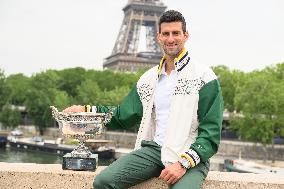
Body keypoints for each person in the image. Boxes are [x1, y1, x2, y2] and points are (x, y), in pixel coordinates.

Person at [64, 10, 223, 189]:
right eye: (166, 34)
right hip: (154, 151)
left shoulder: (205, 77)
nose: (171, 39)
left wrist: (182, 164)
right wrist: (87, 111)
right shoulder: (148, 79)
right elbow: (121, 116)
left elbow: (210, 134)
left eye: (176, 33)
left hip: (189, 155)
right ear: (158, 37)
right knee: (103, 182)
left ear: (186, 36)